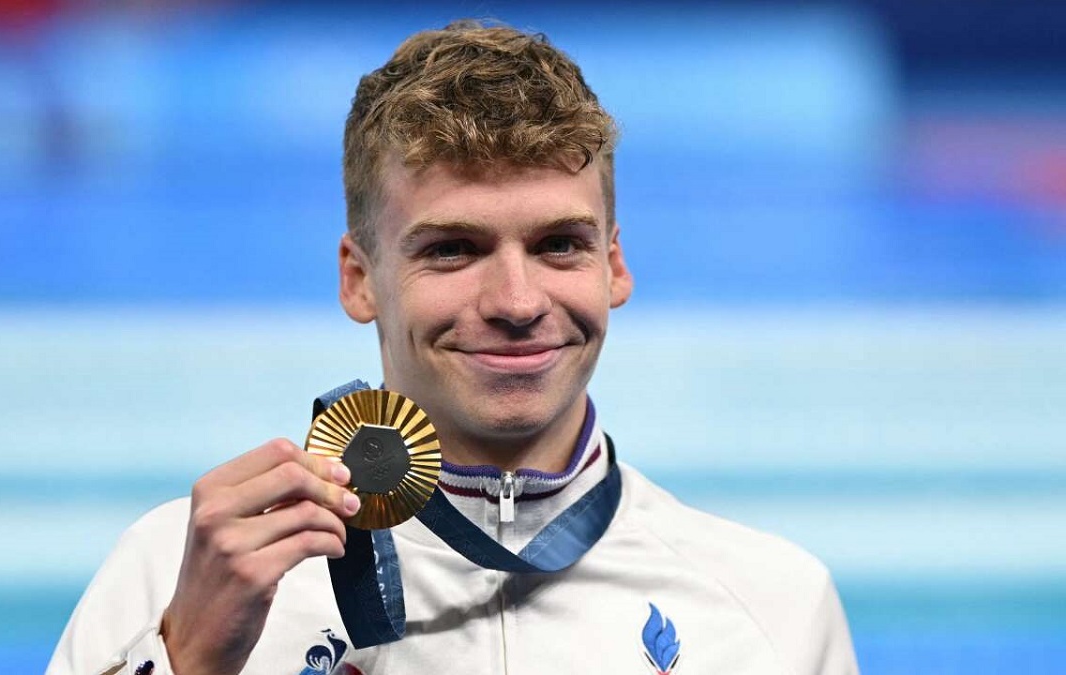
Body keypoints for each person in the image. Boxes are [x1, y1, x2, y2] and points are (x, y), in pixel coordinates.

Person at [48, 20, 858, 675]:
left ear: (614, 264)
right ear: (359, 279)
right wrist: (186, 660)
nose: (515, 302)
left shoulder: (773, 609)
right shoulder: (179, 572)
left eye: (559, 245)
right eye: (452, 249)